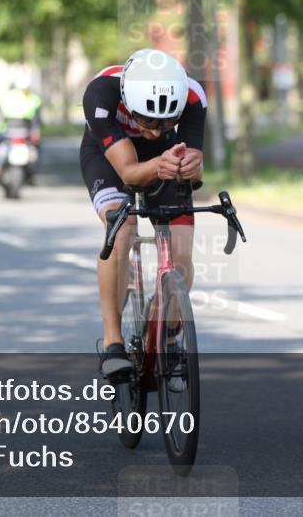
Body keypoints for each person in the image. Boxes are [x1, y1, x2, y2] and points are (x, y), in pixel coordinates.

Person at [80, 49, 207, 378]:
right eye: (146, 119)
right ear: (128, 100)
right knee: (122, 228)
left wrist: (193, 165)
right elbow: (130, 173)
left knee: (181, 252)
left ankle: (167, 331)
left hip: (165, 156)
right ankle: (113, 342)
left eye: (166, 122)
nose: (153, 130)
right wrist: (160, 164)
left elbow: (194, 168)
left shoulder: (193, 97)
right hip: (111, 157)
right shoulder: (101, 94)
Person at [0, 77, 42, 180]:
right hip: (26, 134)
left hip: (7, 134)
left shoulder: (6, 98)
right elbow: (37, 120)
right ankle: (35, 169)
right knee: (37, 146)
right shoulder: (34, 99)